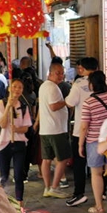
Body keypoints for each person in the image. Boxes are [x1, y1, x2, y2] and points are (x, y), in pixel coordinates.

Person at [79, 71, 107, 213]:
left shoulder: (89, 102)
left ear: (91, 84)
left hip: (94, 142)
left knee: (96, 174)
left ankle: (99, 207)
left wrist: (80, 144)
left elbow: (84, 126)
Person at [0, 79, 32, 213]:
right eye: (15, 86)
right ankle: (3, 203)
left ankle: (19, 204)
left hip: (19, 143)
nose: (17, 89)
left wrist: (18, 129)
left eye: (20, 87)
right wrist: (8, 107)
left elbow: (26, 127)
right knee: (4, 176)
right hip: (4, 143)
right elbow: (2, 124)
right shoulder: (1, 104)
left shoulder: (23, 106)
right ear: (9, 88)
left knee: (18, 174)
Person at [64, 57, 98, 207]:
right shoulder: (102, 82)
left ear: (82, 69)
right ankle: (101, 192)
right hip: (99, 131)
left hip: (81, 131)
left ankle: (79, 194)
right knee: (99, 165)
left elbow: (69, 102)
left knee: (79, 163)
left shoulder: (78, 84)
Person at [37, 63, 70, 198]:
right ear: (50, 73)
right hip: (56, 129)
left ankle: (47, 187)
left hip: (45, 129)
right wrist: (67, 101)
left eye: (62, 73)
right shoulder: (52, 87)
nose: (61, 75)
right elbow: (53, 106)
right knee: (63, 159)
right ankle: (54, 187)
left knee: (46, 159)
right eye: (58, 73)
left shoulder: (44, 86)